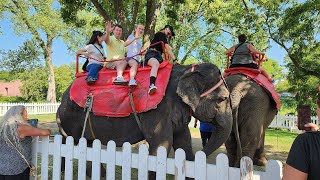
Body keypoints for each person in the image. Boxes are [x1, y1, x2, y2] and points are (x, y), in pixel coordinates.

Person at [0, 105, 51, 179]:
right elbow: (46, 132)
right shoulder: (21, 128)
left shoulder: (2, 127)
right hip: (17, 169)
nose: (27, 117)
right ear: (19, 115)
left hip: (2, 168)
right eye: (25, 115)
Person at [144, 25, 177, 94]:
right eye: (168, 34)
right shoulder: (161, 34)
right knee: (155, 64)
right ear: (166, 29)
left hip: (158, 56)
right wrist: (174, 60)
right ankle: (151, 85)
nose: (168, 36)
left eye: (169, 36)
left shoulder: (162, 37)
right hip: (152, 54)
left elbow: (168, 48)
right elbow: (167, 48)